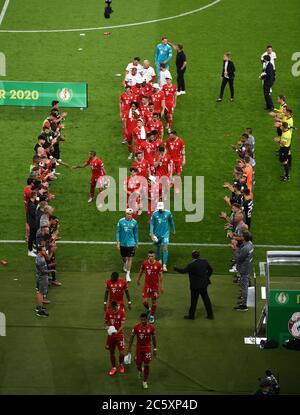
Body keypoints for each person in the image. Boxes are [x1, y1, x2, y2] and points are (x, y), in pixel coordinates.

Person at [174, 250, 214, 320]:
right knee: (206, 299)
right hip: (204, 284)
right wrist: (207, 276)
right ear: (199, 255)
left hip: (195, 286)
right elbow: (210, 270)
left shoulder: (191, 265)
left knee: (194, 301)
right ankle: (210, 315)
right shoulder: (204, 261)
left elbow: (183, 271)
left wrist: (176, 268)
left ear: (192, 256)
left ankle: (191, 316)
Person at [127, 312, 157, 389]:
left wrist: (154, 348)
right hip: (139, 348)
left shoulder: (151, 328)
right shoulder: (136, 327)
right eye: (142, 320)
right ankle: (140, 370)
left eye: (144, 320)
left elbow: (154, 338)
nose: (143, 321)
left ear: (147, 319)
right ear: (140, 319)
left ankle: (145, 381)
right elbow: (132, 337)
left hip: (147, 348)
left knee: (147, 365)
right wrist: (129, 347)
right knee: (137, 364)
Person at [137, 250, 163, 324]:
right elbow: (141, 271)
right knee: (144, 302)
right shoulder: (145, 263)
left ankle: (152, 315)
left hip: (155, 286)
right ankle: (149, 308)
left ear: (154, 256)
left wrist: (161, 286)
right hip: (147, 285)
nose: (150, 257)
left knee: (154, 302)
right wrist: (138, 279)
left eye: (152, 256)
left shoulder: (158, 264)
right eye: (149, 256)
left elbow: (161, 276)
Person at [150, 201, 175, 272]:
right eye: (159, 208)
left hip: (165, 234)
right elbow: (152, 224)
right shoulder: (154, 214)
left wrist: (173, 230)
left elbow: (171, 221)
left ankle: (164, 265)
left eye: (161, 208)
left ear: (163, 207)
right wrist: (151, 234)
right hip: (157, 234)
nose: (160, 209)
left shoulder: (168, 213)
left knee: (165, 248)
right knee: (157, 247)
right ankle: (159, 260)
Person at [232, 231, 254, 311]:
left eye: (242, 236)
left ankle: (244, 305)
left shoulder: (246, 248)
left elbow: (238, 258)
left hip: (244, 270)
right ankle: (245, 301)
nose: (240, 237)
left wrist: (235, 248)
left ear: (244, 238)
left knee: (244, 287)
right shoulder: (250, 244)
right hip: (247, 268)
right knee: (246, 285)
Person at [116, 208, 139, 282]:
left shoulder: (134, 222)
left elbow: (136, 233)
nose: (129, 215)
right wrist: (118, 242)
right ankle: (125, 263)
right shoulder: (121, 221)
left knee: (130, 258)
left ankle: (128, 274)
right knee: (124, 258)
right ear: (125, 213)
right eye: (128, 214)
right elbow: (118, 232)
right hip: (123, 243)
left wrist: (136, 243)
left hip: (131, 243)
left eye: (131, 214)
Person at [105, 300, 126, 376]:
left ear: (117, 306)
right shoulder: (108, 312)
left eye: (115, 308)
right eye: (113, 309)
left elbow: (123, 325)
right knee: (111, 352)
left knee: (122, 353)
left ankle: (121, 364)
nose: (114, 310)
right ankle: (114, 367)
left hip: (119, 335)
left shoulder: (122, 312)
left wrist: (117, 331)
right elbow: (106, 323)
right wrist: (107, 328)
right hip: (111, 336)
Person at [35, 246, 55, 317]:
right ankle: (40, 311)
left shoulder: (39, 256)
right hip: (42, 278)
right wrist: (51, 270)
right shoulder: (40, 260)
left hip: (39, 277)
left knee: (39, 292)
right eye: (43, 250)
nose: (45, 251)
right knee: (41, 293)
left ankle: (39, 307)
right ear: (40, 251)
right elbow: (43, 271)